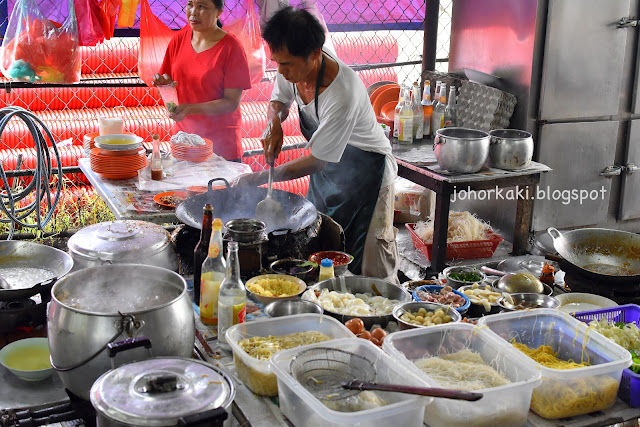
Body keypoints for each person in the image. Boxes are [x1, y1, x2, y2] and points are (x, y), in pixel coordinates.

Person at [236, 6, 398, 282]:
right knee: (319, 249)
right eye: (277, 63)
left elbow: (318, 159)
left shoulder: (342, 92)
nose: (281, 71)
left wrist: (259, 178)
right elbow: (279, 100)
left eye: (286, 65)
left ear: (314, 54)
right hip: (328, 174)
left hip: (369, 176)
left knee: (371, 266)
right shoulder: (292, 68)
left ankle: (382, 320)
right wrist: (273, 123)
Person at [153, 0, 251, 161]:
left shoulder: (231, 48)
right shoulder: (178, 41)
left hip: (220, 147)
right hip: (184, 143)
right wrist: (164, 88)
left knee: (218, 186)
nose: (194, 12)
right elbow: (167, 88)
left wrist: (190, 109)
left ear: (219, 12)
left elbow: (231, 102)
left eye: (202, 6)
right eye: (190, 4)